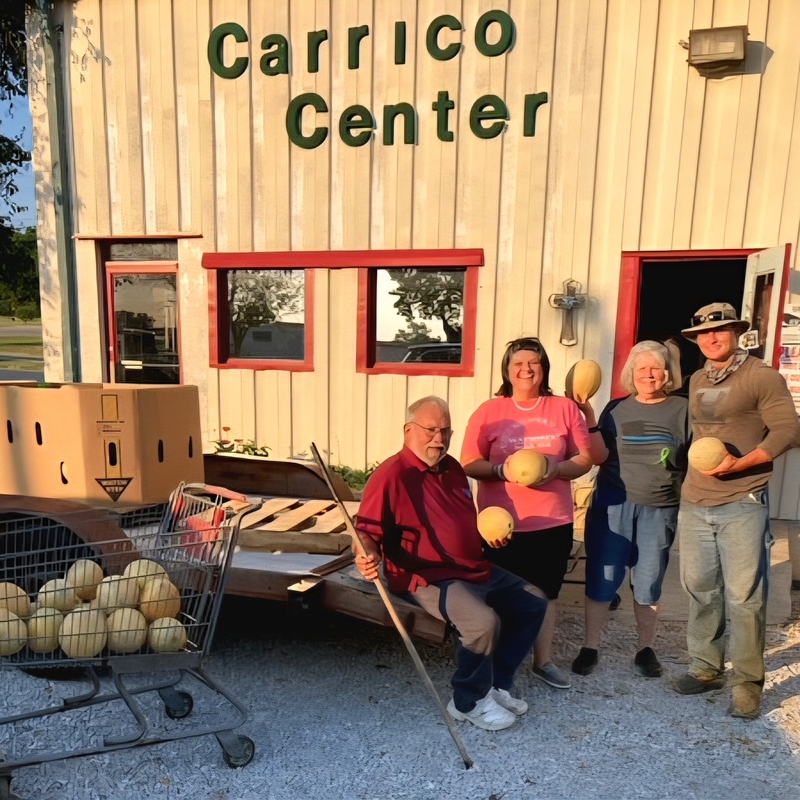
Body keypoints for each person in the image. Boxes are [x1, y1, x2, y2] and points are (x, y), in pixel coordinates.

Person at [354, 396, 548, 731]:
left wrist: (487, 536)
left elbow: (458, 521)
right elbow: (365, 531)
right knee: (481, 622)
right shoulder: (391, 475)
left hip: (469, 567)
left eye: (445, 431)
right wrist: (366, 555)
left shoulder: (453, 468)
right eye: (430, 430)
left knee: (533, 600)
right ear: (408, 430)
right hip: (425, 575)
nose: (439, 439)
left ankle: (496, 684)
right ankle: (467, 702)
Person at [675, 302, 800, 719]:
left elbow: (788, 429)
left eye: (721, 331)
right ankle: (706, 668)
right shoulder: (696, 379)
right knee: (700, 587)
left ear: (736, 332)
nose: (712, 339)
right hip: (696, 499)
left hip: (743, 499)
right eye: (704, 334)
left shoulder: (761, 376)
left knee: (744, 596)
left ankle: (747, 682)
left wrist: (741, 464)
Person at [461, 337, 597, 690]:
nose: (526, 369)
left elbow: (585, 458)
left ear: (544, 368)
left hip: (552, 520)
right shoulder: (489, 411)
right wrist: (498, 472)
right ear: (507, 371)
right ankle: (501, 664)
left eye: (534, 362)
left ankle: (543, 660)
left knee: (547, 593)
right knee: (500, 593)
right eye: (518, 363)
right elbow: (469, 463)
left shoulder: (564, 409)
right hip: (498, 521)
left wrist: (556, 469)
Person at [571, 341, 689, 678]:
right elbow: (599, 456)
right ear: (630, 375)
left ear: (666, 374)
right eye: (641, 369)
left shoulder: (682, 410)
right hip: (612, 505)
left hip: (660, 507)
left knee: (649, 581)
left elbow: (695, 455)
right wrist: (590, 417)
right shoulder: (615, 409)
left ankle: (645, 648)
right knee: (601, 577)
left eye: (655, 368)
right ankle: (590, 645)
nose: (648, 375)